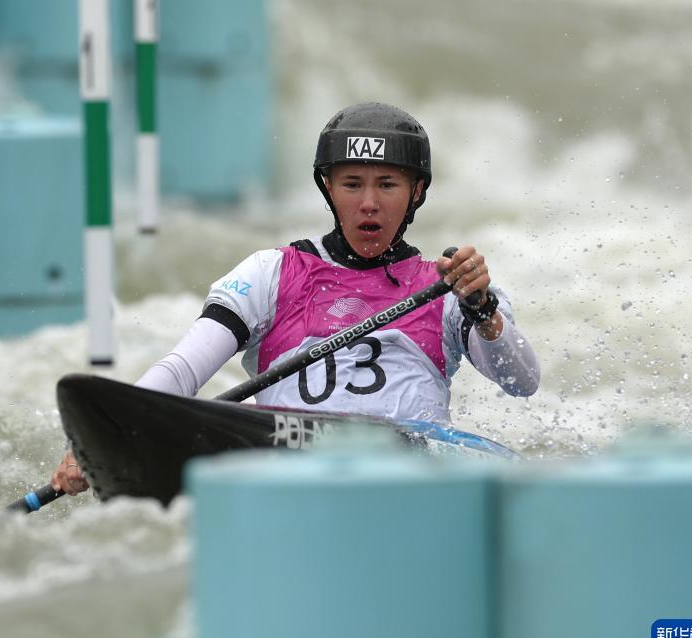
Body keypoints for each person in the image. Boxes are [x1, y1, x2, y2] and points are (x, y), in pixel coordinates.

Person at [53, 101, 540, 496]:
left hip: (411, 473)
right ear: (328, 188)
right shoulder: (270, 273)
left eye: (387, 185)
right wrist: (106, 436)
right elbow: (183, 371)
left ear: (417, 192)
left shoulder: (451, 286)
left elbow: (522, 381)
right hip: (283, 465)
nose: (369, 203)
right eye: (352, 184)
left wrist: (483, 311)